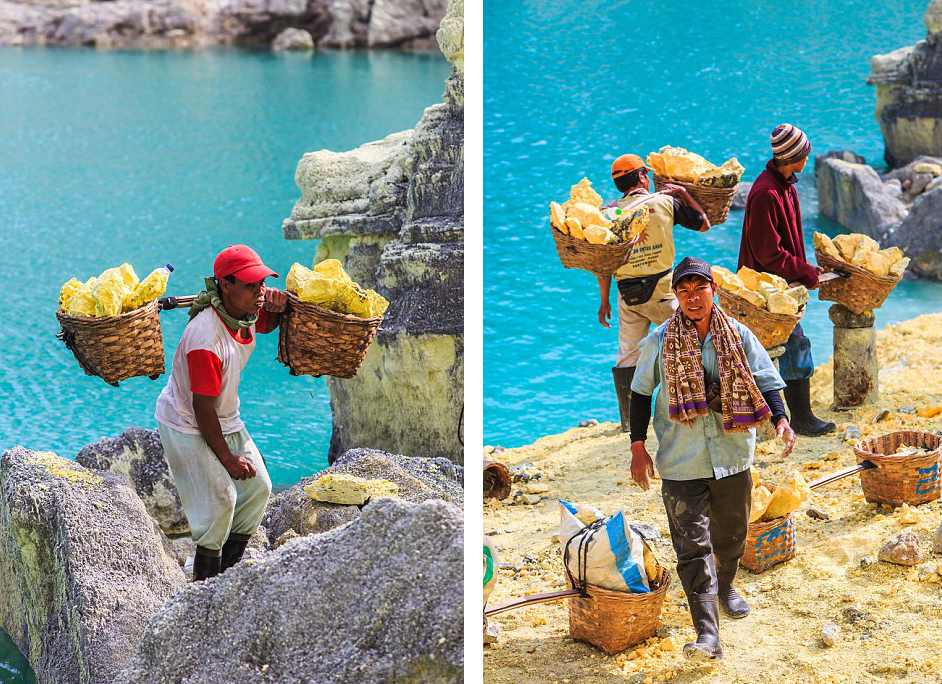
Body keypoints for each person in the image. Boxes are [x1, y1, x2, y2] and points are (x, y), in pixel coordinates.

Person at [628, 256, 796, 660]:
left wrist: (782, 420)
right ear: (676, 298)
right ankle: (708, 634)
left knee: (732, 535)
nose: (692, 298)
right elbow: (639, 393)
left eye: (698, 289)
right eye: (683, 292)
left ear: (712, 290)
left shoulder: (738, 334)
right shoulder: (660, 341)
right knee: (692, 548)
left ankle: (728, 584)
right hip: (680, 460)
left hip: (734, 456)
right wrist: (637, 446)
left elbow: (767, 381)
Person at [155, 244, 286, 581]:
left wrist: (277, 304)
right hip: (187, 422)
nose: (259, 292)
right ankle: (202, 591)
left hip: (224, 416)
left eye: (262, 283)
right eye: (250, 285)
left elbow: (265, 323)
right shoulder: (205, 339)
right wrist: (228, 459)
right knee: (220, 502)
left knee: (258, 488)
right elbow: (202, 408)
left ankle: (226, 577)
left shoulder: (245, 312)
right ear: (225, 286)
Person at [600, 154, 711, 433]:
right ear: (641, 177)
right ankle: (695, 405)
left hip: (627, 296)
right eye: (645, 174)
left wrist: (603, 301)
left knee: (627, 355)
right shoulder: (664, 202)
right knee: (693, 342)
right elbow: (704, 223)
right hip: (663, 292)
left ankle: (628, 422)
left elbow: (602, 263)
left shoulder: (608, 213)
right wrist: (684, 193)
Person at [739, 123, 836, 436]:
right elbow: (768, 253)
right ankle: (802, 418)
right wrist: (806, 272)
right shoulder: (766, 192)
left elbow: (788, 243)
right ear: (793, 156)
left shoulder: (786, 187)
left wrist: (804, 270)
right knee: (796, 345)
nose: (807, 158)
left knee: (792, 346)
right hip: (768, 291)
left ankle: (795, 416)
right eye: (804, 153)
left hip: (784, 285)